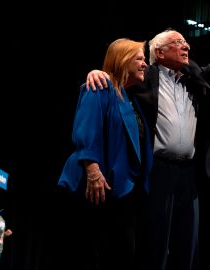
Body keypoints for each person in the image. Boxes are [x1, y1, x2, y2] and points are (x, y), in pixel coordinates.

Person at [85, 1, 210, 269]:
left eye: (186, 42)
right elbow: (118, 71)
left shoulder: (194, 77)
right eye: (179, 42)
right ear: (159, 53)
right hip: (158, 171)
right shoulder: (144, 76)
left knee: (188, 245)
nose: (187, 46)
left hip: (189, 173)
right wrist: (97, 72)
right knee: (156, 245)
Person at [57, 38, 152, 270]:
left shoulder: (130, 100)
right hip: (95, 188)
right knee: (92, 255)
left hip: (122, 191)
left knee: (121, 255)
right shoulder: (100, 87)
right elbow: (86, 129)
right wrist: (92, 169)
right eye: (139, 58)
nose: (145, 64)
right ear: (122, 61)